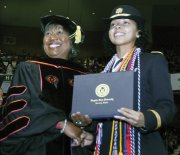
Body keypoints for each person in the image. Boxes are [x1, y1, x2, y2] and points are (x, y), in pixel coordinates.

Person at [71, 5, 176, 155]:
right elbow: (105, 121)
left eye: (125, 22)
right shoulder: (102, 73)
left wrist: (145, 119)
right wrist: (88, 127)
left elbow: (167, 107)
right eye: (113, 24)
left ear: (139, 32)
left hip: (143, 147)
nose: (117, 26)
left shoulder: (152, 61)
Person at [0, 15, 93, 155]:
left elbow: (95, 116)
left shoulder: (85, 74)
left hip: (77, 146)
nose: (52, 37)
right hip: (38, 146)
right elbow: (20, 110)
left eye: (59, 32)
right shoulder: (29, 68)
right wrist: (61, 124)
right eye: (48, 33)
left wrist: (85, 123)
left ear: (72, 40)